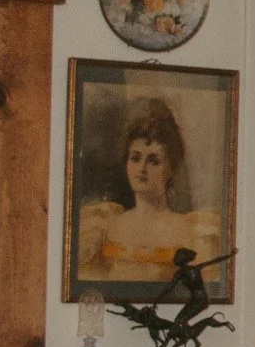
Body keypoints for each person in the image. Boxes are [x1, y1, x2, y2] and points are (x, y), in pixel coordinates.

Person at [78, 97, 223, 288]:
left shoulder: (191, 231)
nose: (142, 169)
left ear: (171, 168)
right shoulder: (105, 227)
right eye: (135, 158)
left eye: (154, 161)